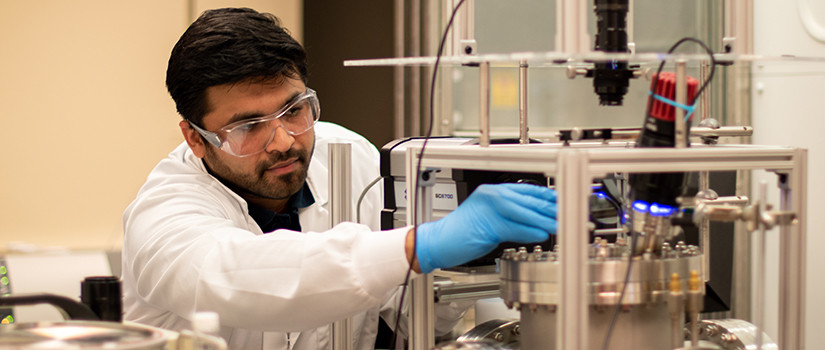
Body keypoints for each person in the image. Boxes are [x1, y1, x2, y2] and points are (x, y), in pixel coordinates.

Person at [121, 7, 558, 350]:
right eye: (248, 125)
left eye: (294, 110)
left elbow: (406, 314)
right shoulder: (164, 214)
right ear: (196, 139)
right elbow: (241, 275)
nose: (282, 141)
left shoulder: (348, 157)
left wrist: (462, 264)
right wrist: (420, 243)